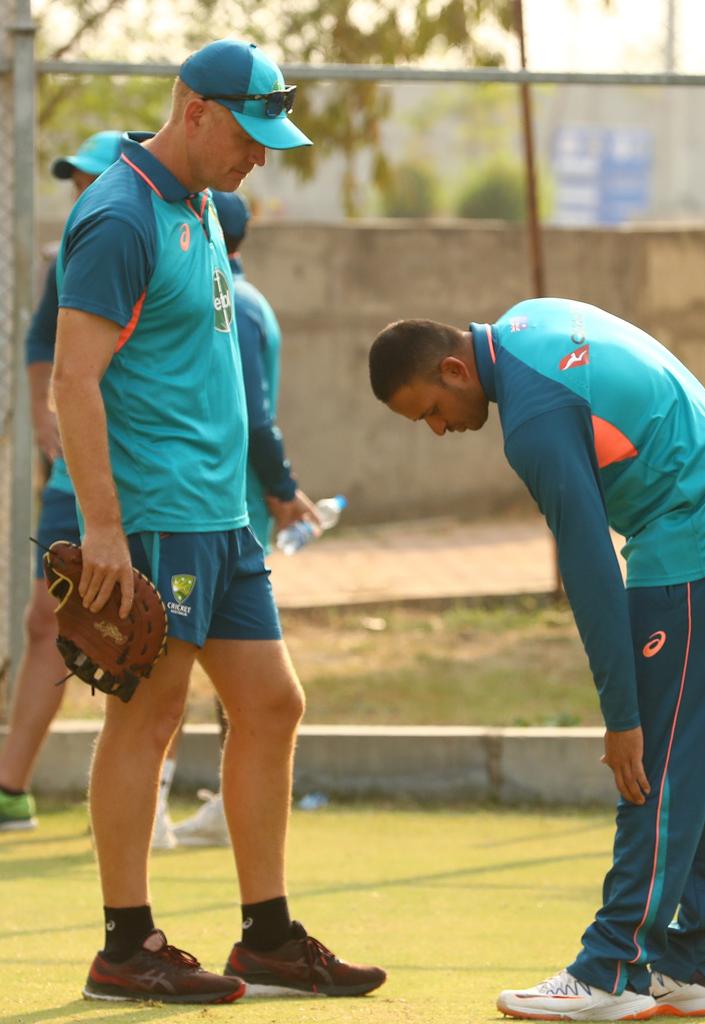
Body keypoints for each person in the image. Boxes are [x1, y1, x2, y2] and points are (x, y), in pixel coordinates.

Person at [53, 39, 386, 1004]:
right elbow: (74, 382)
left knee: (274, 705)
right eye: (250, 134)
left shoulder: (196, 202)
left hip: (223, 517)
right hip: (155, 517)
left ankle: (268, 936)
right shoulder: (117, 215)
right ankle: (125, 946)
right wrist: (104, 529)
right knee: (149, 715)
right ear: (195, 109)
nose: (261, 159)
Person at [368, 299, 705, 1021]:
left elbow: (589, 573)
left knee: (659, 759)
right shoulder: (533, 322)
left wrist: (622, 718)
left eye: (431, 408)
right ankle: (698, 959)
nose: (438, 428)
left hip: (694, 539)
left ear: (455, 369)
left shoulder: (531, 424)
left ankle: (612, 966)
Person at [159, 189, 317, 849]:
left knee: (190, 673)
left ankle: (185, 808)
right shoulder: (237, 299)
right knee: (185, 673)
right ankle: (195, 808)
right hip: (217, 510)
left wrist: (282, 490)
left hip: (223, 512)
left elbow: (252, 413)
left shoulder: (232, 305)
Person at [0, 131, 122, 831]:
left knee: (140, 632)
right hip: (73, 478)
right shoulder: (68, 256)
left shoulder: (146, 240)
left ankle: (150, 792)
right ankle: (10, 788)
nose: (80, 195)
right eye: (74, 182)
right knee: (45, 617)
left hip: (145, 474)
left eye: (91, 181)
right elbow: (41, 339)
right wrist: (49, 415)